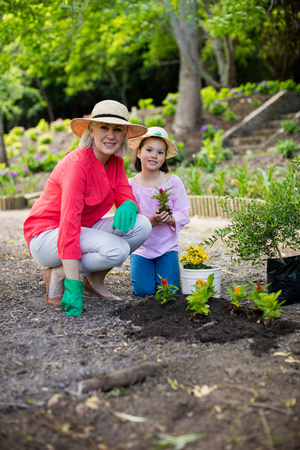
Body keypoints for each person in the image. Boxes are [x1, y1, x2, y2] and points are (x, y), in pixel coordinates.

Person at [23, 100, 152, 316]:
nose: (111, 135)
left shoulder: (115, 162)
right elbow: (69, 224)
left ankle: (94, 280)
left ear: (124, 135)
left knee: (142, 225)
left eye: (117, 129)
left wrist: (128, 204)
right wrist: (73, 287)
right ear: (91, 129)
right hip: (47, 236)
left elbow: (122, 191)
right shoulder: (77, 164)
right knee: (117, 250)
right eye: (104, 127)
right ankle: (59, 274)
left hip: (82, 230)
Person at [128, 126, 190, 297]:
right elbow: (130, 223)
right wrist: (153, 220)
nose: (154, 155)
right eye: (149, 150)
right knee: (144, 292)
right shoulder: (130, 185)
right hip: (141, 249)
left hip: (166, 248)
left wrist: (169, 219)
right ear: (139, 153)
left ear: (164, 159)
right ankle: (145, 277)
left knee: (170, 292)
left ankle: (161, 273)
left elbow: (184, 212)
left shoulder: (173, 182)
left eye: (160, 152)